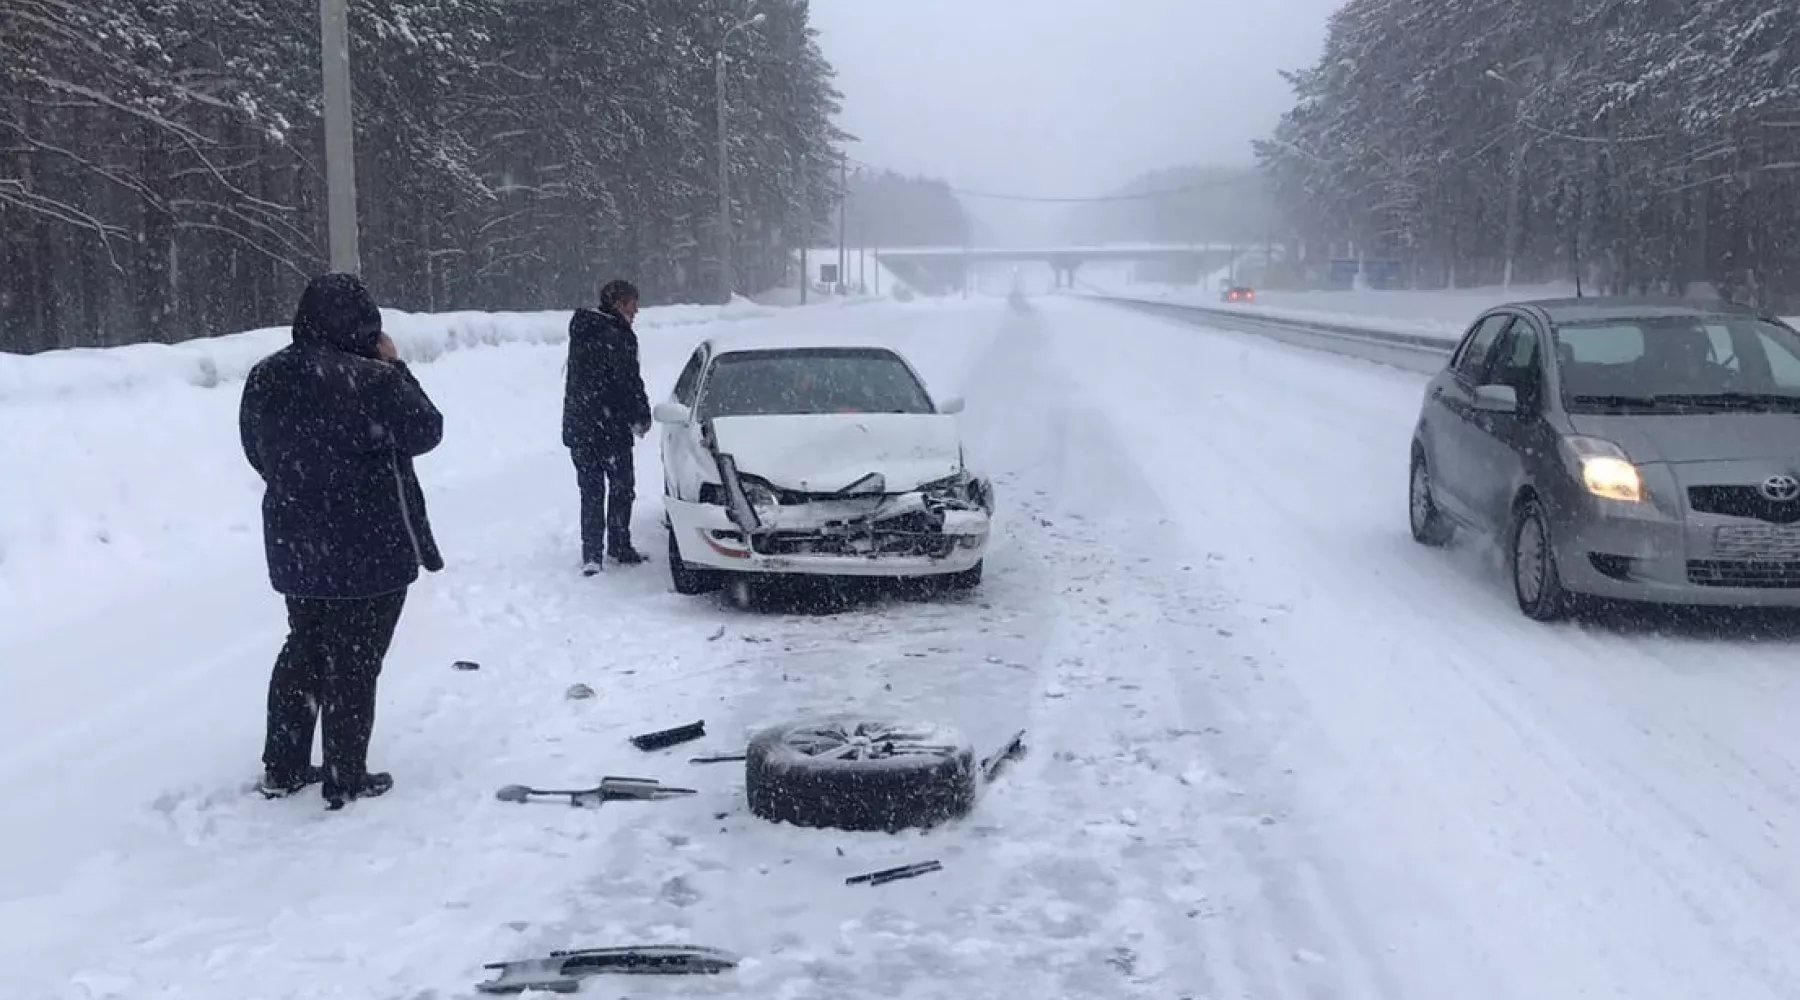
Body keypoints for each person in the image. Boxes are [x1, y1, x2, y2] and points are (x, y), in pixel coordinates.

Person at [239, 272, 445, 810]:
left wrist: (300, 485)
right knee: (355, 660)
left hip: (295, 542)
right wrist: (395, 364)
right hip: (370, 543)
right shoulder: (374, 379)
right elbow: (427, 430)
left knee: (304, 647)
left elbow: (256, 450)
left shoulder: (266, 376)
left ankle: (282, 766)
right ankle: (345, 774)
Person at [563, 279, 651, 574]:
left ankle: (592, 554)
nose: (635, 311)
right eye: (631, 304)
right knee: (622, 488)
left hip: (581, 427)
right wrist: (641, 414)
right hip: (610, 427)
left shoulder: (582, 330)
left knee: (591, 491)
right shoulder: (619, 337)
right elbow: (628, 382)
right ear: (618, 304)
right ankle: (619, 544)